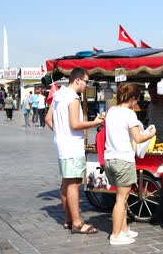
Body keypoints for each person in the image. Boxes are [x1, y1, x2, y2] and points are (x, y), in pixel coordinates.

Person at [45, 68, 104, 234]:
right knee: (74, 183)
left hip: (63, 145)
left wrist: (60, 133)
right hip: (72, 146)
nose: (87, 85)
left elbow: (48, 119)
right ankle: (77, 223)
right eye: (86, 81)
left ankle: (68, 219)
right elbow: (75, 124)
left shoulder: (58, 95)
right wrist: (95, 122)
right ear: (77, 80)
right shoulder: (73, 98)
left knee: (66, 183)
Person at [104, 83, 156, 245]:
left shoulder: (111, 111)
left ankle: (124, 230)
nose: (137, 104)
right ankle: (115, 235)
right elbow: (138, 138)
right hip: (123, 159)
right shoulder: (129, 114)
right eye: (136, 100)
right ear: (132, 99)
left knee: (123, 197)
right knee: (121, 198)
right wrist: (150, 133)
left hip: (110, 158)